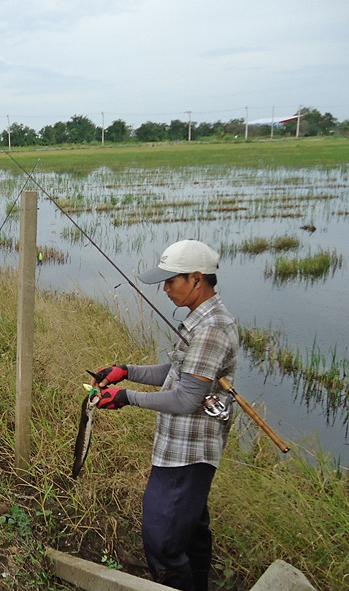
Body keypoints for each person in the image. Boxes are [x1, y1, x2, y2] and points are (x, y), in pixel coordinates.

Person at [93, 239, 239, 591]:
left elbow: (187, 398)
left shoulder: (211, 329)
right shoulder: (197, 320)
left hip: (188, 454)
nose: (165, 289)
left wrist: (126, 397)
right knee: (190, 529)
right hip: (177, 445)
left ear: (196, 279)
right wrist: (125, 370)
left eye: (171, 281)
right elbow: (175, 374)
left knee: (162, 540)